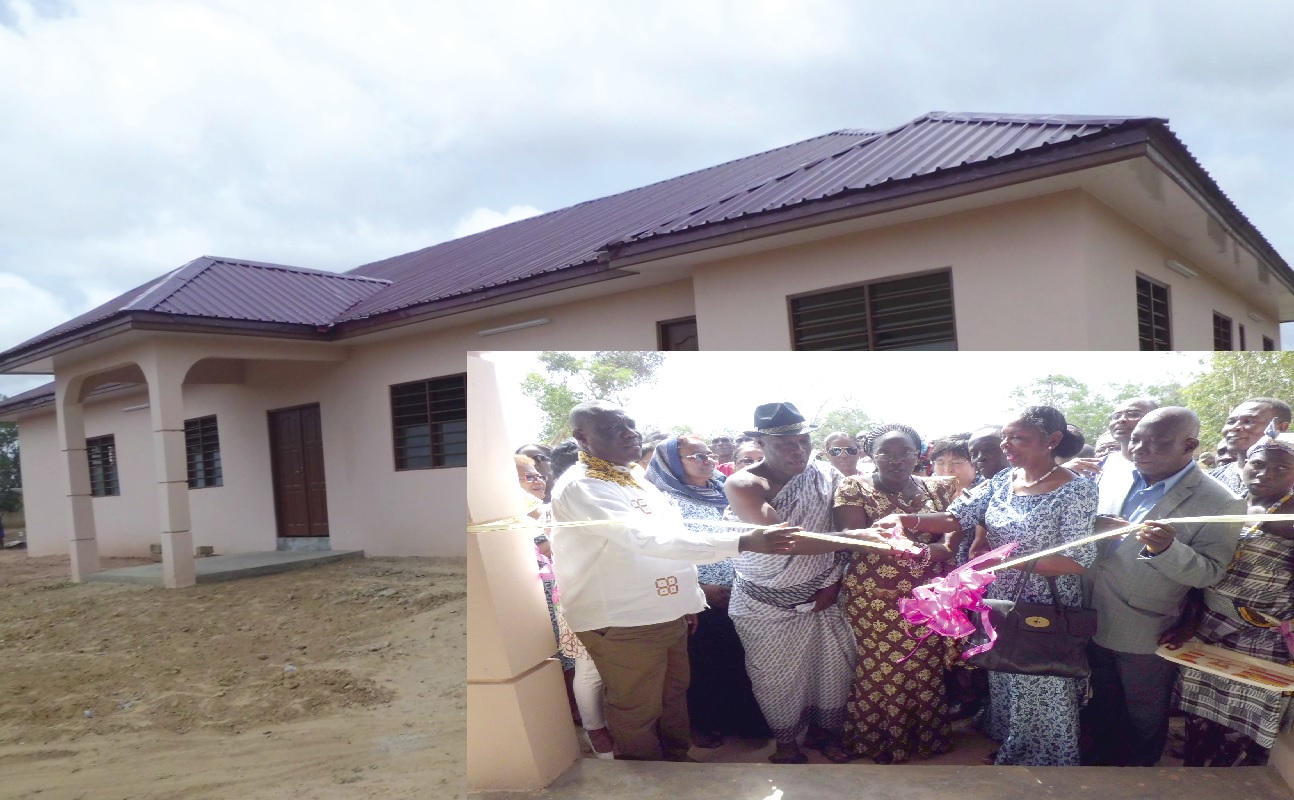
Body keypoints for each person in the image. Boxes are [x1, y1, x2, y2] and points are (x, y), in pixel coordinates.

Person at [548, 401, 793, 762]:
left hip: (666, 612)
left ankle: (677, 768)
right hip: (624, 619)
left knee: (673, 697)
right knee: (637, 708)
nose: (630, 433)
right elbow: (646, 541)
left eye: (631, 425)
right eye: (614, 429)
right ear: (581, 437)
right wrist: (742, 541)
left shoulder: (630, 476)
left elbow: (671, 537)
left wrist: (687, 600)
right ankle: (647, 780)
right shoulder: (583, 487)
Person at [879, 406, 1098, 766]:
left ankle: (1044, 763)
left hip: (1043, 603)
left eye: (1017, 438)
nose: (1006, 445)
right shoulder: (1001, 481)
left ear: (1052, 441)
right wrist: (906, 519)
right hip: (999, 601)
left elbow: (1077, 560)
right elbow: (956, 516)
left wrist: (1007, 561)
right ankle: (1012, 743)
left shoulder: (1076, 490)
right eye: (1004, 438)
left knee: (1039, 682)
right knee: (1006, 674)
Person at [1083, 408, 1244, 767]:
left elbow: (1210, 573)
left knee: (1144, 711)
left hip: (1146, 625)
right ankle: (1100, 769)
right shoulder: (1115, 475)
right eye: (1137, 439)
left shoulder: (1221, 501)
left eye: (1158, 443)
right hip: (1092, 611)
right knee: (1102, 700)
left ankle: (1141, 775)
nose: (1141, 448)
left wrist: (1168, 549)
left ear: (1190, 445)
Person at [723, 401, 857, 764]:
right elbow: (784, 541)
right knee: (775, 680)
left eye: (803, 441)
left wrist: (832, 584)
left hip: (824, 592)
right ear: (761, 443)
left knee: (832, 670)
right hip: (762, 603)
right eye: (785, 443)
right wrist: (863, 538)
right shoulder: (744, 484)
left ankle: (824, 735)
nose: (798, 450)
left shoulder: (827, 475)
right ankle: (787, 744)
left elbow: (844, 528)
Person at [831, 423, 960, 763]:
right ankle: (875, 739)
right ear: (871, 455)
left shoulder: (941, 488)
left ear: (919, 454)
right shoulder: (853, 487)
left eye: (905, 451)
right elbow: (856, 537)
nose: (896, 459)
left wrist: (929, 551)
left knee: (925, 663)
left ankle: (924, 738)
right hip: (874, 595)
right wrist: (929, 548)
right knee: (879, 666)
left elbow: (954, 535)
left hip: (929, 593)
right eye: (886, 452)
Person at [1177, 424, 1294, 766]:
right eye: (1257, 464)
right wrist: (1190, 621)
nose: (1265, 473)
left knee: (1245, 722)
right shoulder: (1228, 503)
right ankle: (1194, 777)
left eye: (1282, 468)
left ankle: (1235, 784)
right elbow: (1203, 569)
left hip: (1263, 636)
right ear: (1243, 464)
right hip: (1209, 627)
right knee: (1199, 712)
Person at [644, 434, 771, 748]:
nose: (707, 460)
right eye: (696, 456)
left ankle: (743, 722)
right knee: (702, 665)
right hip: (696, 597)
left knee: (738, 660)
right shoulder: (662, 501)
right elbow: (659, 552)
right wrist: (698, 588)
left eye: (708, 454)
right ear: (673, 462)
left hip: (741, 590)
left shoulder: (723, 489)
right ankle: (703, 723)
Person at [1210, 398, 1292, 496]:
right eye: (1231, 422)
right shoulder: (1211, 480)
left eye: (1249, 421)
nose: (1234, 427)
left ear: (1281, 427)